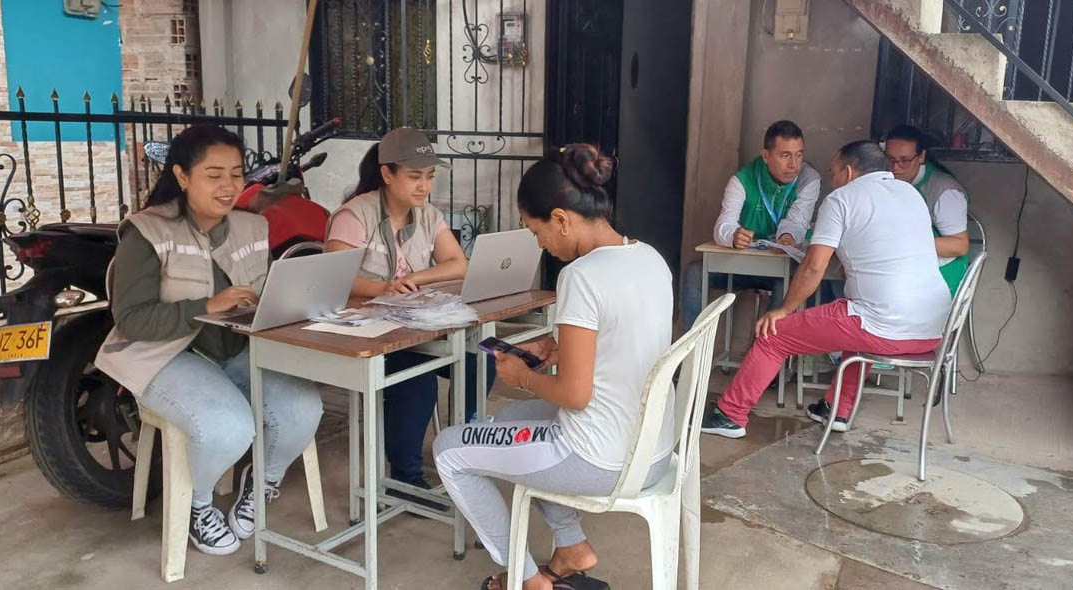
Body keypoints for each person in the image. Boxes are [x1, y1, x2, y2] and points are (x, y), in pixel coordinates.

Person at [433, 144, 675, 590]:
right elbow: (624, 340)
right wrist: (561, 347)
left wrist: (523, 377)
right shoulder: (649, 257)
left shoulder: (581, 277)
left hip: (600, 457)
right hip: (653, 449)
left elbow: (575, 396)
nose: (540, 243)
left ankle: (526, 580)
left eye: (535, 230)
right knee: (507, 419)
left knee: (449, 450)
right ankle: (571, 547)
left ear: (561, 218)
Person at [95, 125, 323, 555]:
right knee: (228, 426)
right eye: (213, 174)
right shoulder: (147, 232)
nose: (228, 186)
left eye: (236, 174)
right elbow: (132, 320)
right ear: (182, 176)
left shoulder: (252, 227)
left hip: (235, 348)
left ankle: (262, 482)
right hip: (165, 355)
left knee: (303, 409)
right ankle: (199, 505)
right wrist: (209, 305)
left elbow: (263, 292)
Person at [700, 140, 949, 438]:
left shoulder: (842, 199)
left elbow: (814, 266)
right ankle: (836, 410)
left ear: (848, 171)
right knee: (859, 325)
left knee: (774, 334)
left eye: (833, 173)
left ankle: (730, 415)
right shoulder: (910, 194)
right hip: (931, 330)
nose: (832, 181)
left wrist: (783, 310)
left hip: (883, 327)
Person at [325, 127, 494, 507]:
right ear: (387, 174)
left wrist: (414, 278)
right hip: (367, 330)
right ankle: (405, 478)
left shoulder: (428, 214)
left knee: (482, 357)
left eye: (430, 177)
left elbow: (458, 264)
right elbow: (334, 278)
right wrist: (383, 287)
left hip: (413, 324)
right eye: (414, 177)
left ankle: (463, 446)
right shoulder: (354, 215)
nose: (424, 187)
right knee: (416, 377)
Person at [679, 120, 822, 329]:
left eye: (799, 155)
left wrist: (788, 237)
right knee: (694, 272)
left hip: (780, 268)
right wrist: (733, 236)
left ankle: (761, 356)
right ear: (766, 156)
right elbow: (723, 224)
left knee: (788, 284)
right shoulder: (742, 180)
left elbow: (798, 220)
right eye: (785, 156)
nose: (794, 165)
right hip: (741, 264)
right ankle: (691, 352)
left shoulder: (809, 179)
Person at [884, 125, 971, 295]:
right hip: (907, 271)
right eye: (890, 159)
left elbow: (959, 245)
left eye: (905, 160)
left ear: (921, 156)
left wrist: (899, 244)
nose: (895, 167)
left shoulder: (944, 191)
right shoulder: (887, 180)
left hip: (940, 279)